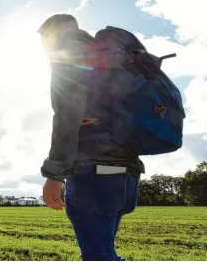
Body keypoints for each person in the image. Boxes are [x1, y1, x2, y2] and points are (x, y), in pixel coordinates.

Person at [37, 14, 143, 261]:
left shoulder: (69, 51)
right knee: (104, 252)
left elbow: (67, 114)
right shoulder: (113, 59)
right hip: (126, 169)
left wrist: (55, 174)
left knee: (98, 256)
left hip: (93, 169)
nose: (44, 44)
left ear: (58, 30)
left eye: (44, 37)